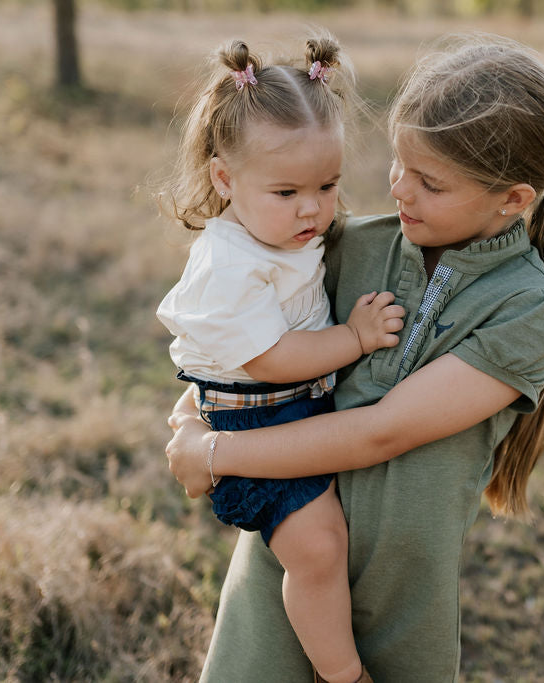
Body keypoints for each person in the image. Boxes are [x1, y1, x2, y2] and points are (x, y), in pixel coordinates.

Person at [166, 34, 544, 682]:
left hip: (403, 593)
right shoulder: (346, 245)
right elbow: (239, 337)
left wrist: (213, 455)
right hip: (288, 554)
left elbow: (381, 430)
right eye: (399, 165)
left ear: (514, 199)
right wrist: (192, 415)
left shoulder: (530, 308)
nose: (400, 191)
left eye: (430, 183)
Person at [156, 36, 404, 683]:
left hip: (288, 408)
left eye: (328, 185)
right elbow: (270, 356)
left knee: (337, 539)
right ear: (224, 180)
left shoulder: (282, 232)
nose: (313, 208)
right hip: (254, 421)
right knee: (318, 549)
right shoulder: (231, 263)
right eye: (288, 190)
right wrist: (354, 338)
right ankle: (343, 672)